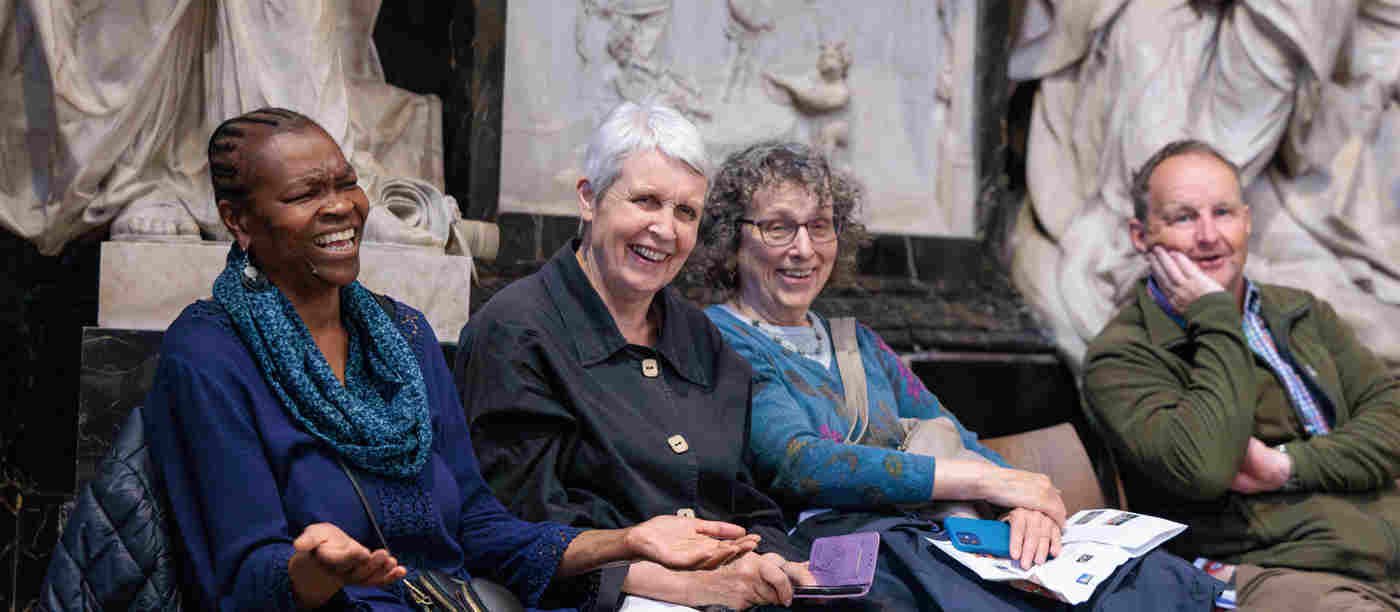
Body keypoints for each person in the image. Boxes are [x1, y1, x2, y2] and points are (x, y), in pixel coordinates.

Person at [143, 107, 759, 611]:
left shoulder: (402, 334)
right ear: (238, 221)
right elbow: (241, 580)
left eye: (345, 183)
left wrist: (630, 541)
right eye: (306, 193)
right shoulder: (210, 355)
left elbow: (481, 528)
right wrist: (312, 572)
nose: (340, 207)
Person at [692, 140, 1224, 611]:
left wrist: (1024, 503)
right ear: (732, 241)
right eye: (779, 226)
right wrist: (994, 480)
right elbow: (798, 463)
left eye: (820, 226)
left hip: (924, 532)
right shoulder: (721, 337)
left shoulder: (856, 341)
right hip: (835, 554)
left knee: (1146, 580)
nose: (803, 248)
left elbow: (955, 434)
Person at [456, 101, 815, 612]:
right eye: (646, 201)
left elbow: (739, 497)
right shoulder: (515, 333)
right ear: (589, 198)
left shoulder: (701, 338)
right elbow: (516, 533)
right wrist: (688, 588)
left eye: (685, 212)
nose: (665, 230)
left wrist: (769, 560)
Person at [1082, 139, 1400, 611]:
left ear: (1247, 221)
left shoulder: (1300, 312)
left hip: (1380, 550)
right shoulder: (1123, 356)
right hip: (1278, 572)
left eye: (1224, 212)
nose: (1209, 236)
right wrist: (1214, 317)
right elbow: (1205, 467)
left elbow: (1392, 420)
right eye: (1184, 217)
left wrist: (1287, 466)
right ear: (1140, 235)